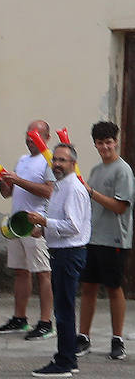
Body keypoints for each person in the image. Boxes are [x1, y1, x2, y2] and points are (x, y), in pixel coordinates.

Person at [28, 143, 91, 377]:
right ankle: (66, 357)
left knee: (64, 310)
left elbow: (73, 226)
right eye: (54, 160)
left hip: (68, 253)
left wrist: (45, 223)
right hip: (60, 252)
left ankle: (66, 361)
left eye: (62, 160)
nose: (57, 164)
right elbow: (59, 219)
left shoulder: (73, 188)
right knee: (62, 308)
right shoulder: (60, 186)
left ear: (73, 164)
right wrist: (43, 228)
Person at [77, 121, 134, 361]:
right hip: (93, 236)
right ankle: (83, 336)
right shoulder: (96, 170)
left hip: (114, 239)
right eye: (100, 143)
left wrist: (92, 193)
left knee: (113, 288)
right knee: (88, 287)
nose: (104, 147)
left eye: (108, 142)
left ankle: (117, 339)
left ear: (116, 142)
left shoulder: (123, 170)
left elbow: (120, 207)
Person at [0, 120, 56, 339]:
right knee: (21, 272)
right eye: (28, 135)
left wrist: (17, 180)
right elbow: (7, 193)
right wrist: (4, 181)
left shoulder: (50, 161)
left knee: (43, 273)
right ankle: (19, 319)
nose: (30, 139)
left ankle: (46, 322)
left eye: (35, 135)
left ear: (46, 138)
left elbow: (49, 192)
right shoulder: (22, 160)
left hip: (36, 224)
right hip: (17, 225)